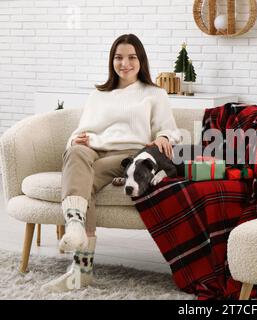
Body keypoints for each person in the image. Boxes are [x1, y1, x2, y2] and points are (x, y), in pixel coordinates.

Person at [42, 34, 180, 292]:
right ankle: (74, 224)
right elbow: (82, 129)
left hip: (127, 156)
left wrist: (162, 136)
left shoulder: (154, 93)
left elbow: (168, 130)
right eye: (118, 57)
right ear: (111, 61)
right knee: (75, 153)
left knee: (84, 183)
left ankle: (80, 271)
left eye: (131, 57)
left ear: (141, 61)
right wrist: (74, 140)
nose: (124, 63)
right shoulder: (98, 94)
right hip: (93, 151)